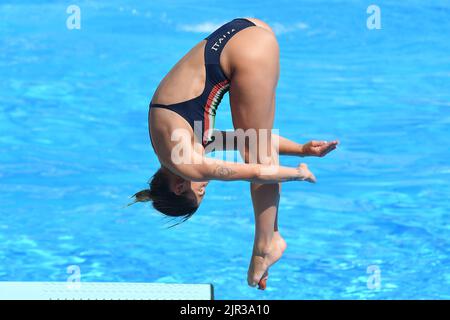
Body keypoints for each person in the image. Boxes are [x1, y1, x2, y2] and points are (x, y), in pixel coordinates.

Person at [131, 17, 339, 289]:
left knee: (257, 158)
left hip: (249, 52)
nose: (205, 188)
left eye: (201, 192)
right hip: (244, 31)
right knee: (254, 146)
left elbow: (256, 170)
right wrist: (300, 150)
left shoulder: (187, 164)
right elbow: (244, 139)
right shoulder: (172, 146)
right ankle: (270, 236)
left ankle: (265, 246)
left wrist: (297, 174)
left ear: (180, 186)